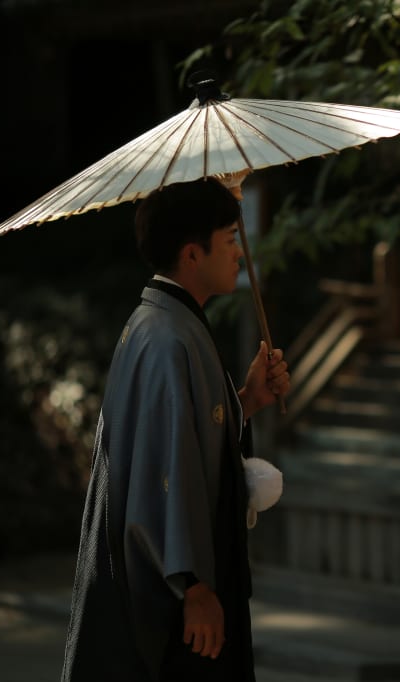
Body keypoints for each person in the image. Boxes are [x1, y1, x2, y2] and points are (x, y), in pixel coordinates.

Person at [61, 177, 290, 682]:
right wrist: (192, 587)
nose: (237, 253)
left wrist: (247, 400)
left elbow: (186, 438)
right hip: (173, 597)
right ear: (192, 254)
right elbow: (165, 469)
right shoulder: (167, 338)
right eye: (230, 240)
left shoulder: (166, 324)